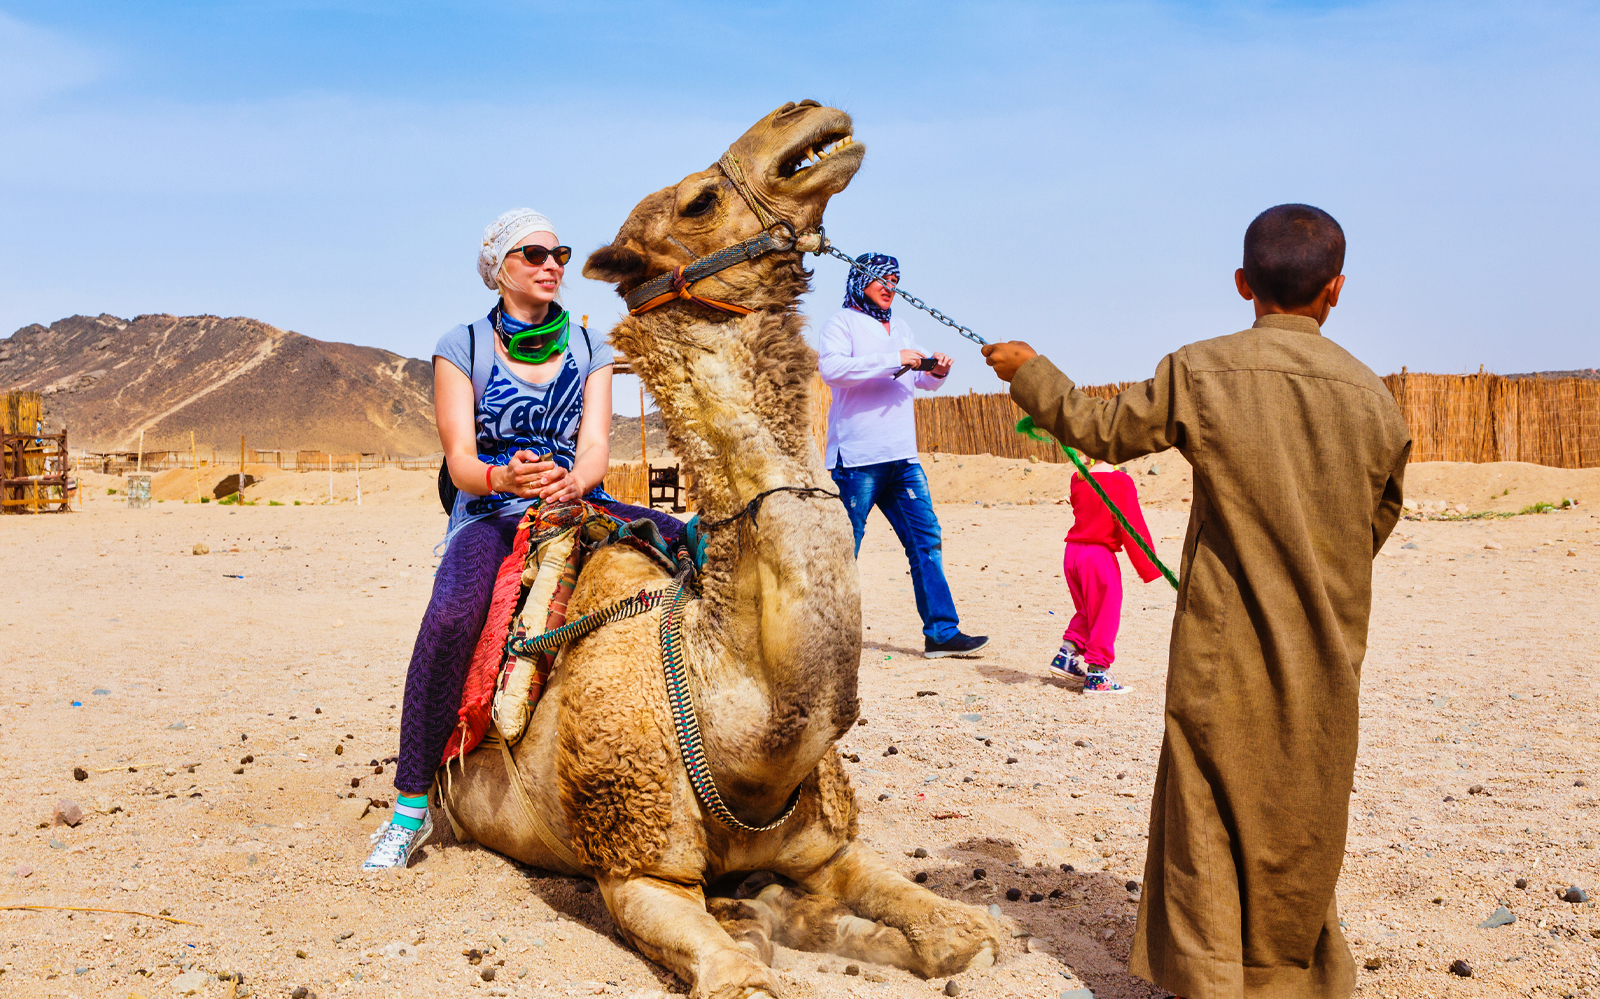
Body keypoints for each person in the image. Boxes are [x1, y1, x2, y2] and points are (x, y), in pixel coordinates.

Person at [983, 204, 1410, 998]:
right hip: (1327, 646)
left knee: (1207, 797)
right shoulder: (1371, 398)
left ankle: (1212, 971)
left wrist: (1028, 369)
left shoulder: (1203, 369)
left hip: (1223, 644)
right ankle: (1293, 972)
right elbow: (1377, 517)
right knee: (1306, 798)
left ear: (1244, 284)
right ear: (1337, 291)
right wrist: (1317, 573)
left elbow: (1097, 429)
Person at [363, 208, 684, 872]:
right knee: (452, 616)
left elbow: (595, 445)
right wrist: (499, 473)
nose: (552, 265)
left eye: (559, 253)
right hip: (491, 509)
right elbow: (459, 461)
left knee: (692, 546)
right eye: (534, 254)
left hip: (573, 498)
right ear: (499, 269)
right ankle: (409, 806)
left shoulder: (591, 348)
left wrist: (576, 480)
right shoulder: (465, 347)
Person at [818, 253, 988, 659]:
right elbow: (833, 370)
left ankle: (942, 633)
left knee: (926, 541)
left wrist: (936, 371)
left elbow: (921, 383)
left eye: (894, 279)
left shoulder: (903, 326)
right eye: (882, 279)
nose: (889, 285)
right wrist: (894, 358)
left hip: (902, 458)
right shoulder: (841, 323)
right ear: (862, 281)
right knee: (844, 549)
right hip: (857, 459)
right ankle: (821, 636)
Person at [1050, 450, 1161, 692]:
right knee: (1105, 612)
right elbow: (1132, 525)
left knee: (1089, 610)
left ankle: (1066, 654)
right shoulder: (1120, 481)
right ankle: (1098, 675)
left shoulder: (1078, 478)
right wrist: (1149, 565)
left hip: (1073, 554)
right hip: (1098, 556)